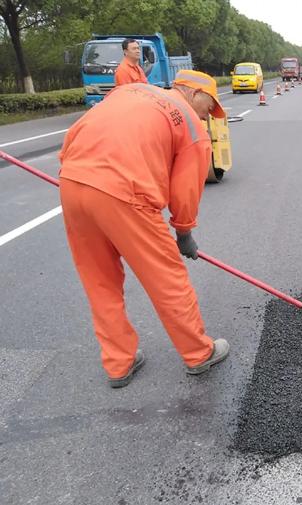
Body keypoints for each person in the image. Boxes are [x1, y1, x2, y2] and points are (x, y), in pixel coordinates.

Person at [59, 70, 229, 388]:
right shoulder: (191, 125)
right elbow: (185, 191)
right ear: (193, 93)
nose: (210, 115)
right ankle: (198, 354)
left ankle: (118, 363)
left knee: (100, 281)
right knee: (167, 279)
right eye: (210, 106)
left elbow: (77, 133)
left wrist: (77, 171)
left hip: (72, 182)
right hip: (125, 193)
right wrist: (184, 234)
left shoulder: (130, 91)